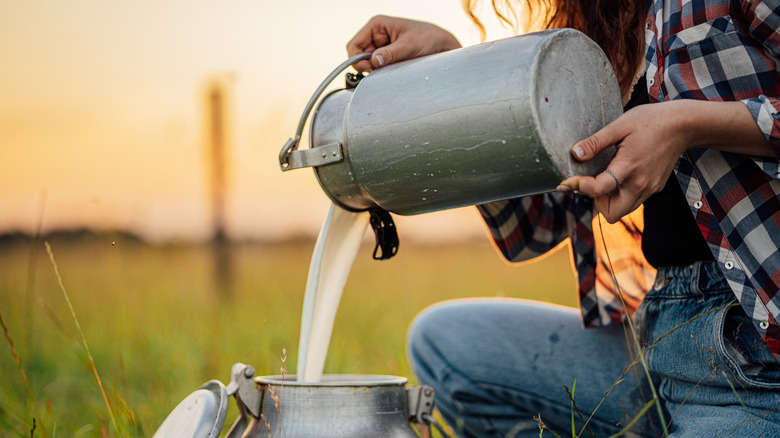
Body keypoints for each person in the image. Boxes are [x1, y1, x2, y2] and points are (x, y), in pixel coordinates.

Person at [347, 0, 780, 436]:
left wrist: (687, 124)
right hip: (661, 338)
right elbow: (534, 226)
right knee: (444, 341)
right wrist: (453, 78)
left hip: (759, 358)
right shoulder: (608, 25)